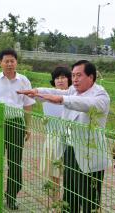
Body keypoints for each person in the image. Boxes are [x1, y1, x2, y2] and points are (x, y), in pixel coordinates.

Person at [17, 60, 110, 213]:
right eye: (73, 75)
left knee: (89, 200)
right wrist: (36, 91)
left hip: (89, 154)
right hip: (70, 150)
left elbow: (87, 104)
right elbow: (58, 93)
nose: (75, 79)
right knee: (70, 194)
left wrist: (63, 100)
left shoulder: (100, 94)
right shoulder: (73, 90)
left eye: (79, 75)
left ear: (91, 77)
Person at [0, 48, 35, 210]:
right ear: (0, 63)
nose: (9, 64)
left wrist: (28, 127)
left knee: (15, 162)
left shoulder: (24, 80)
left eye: (12, 60)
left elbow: (28, 106)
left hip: (16, 124)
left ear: (16, 62)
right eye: (6, 61)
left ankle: (11, 197)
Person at [39, 66, 72, 201]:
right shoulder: (47, 97)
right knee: (53, 173)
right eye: (57, 78)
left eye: (63, 77)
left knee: (71, 174)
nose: (60, 80)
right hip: (52, 138)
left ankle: (69, 203)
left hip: (71, 140)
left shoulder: (74, 96)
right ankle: (56, 203)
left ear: (69, 79)